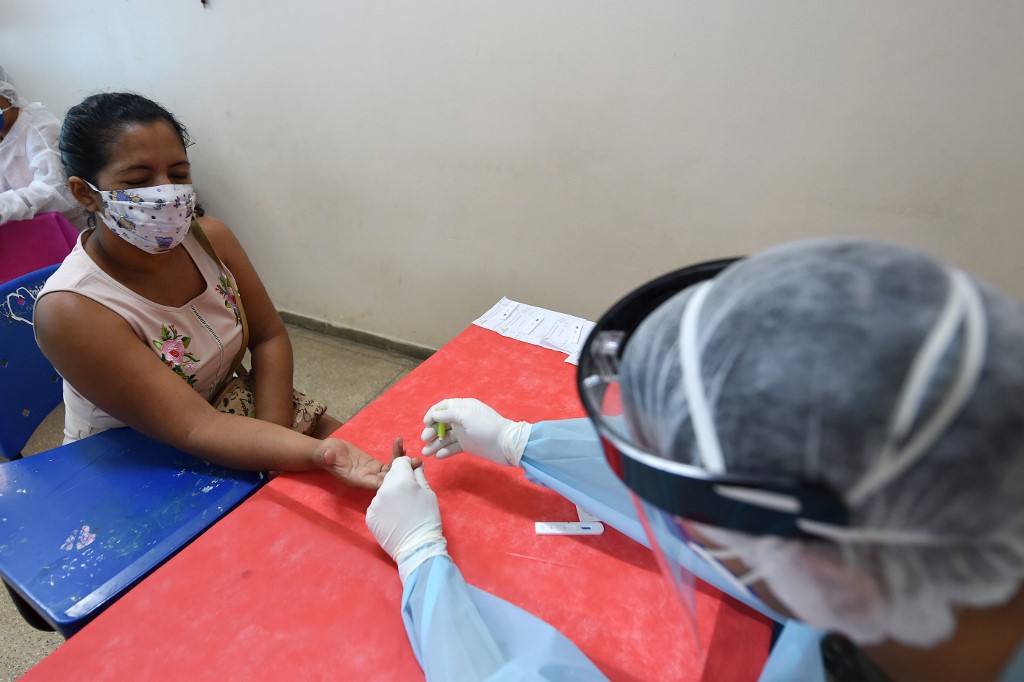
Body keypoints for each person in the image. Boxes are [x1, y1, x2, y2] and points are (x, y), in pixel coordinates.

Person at [367, 238, 1024, 681]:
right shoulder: (937, 530)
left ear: (827, 568)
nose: (682, 523)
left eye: (703, 524)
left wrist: (425, 566)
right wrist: (521, 441)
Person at [33, 92, 388, 489]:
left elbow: (269, 337)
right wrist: (298, 452)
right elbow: (194, 428)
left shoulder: (209, 239)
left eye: (179, 173)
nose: (166, 193)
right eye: (138, 181)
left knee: (383, 460)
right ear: (85, 193)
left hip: (229, 413)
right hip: (137, 462)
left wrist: (275, 438)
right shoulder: (71, 309)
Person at [0, 66, 84, 228]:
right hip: (29, 232)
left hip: (66, 231)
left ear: (7, 96)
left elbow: (55, 191)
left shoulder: (40, 129)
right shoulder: (4, 135)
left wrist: (4, 206)